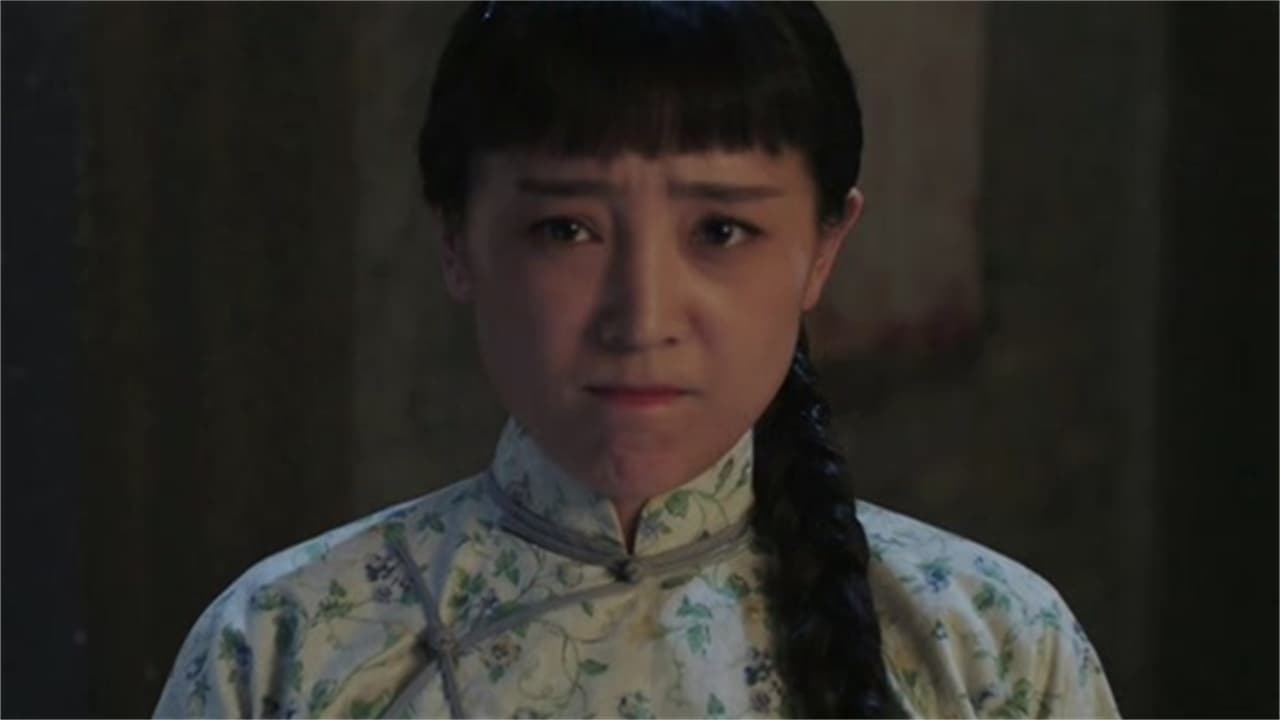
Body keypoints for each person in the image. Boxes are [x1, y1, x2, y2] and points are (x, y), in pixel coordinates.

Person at [154, 3, 1120, 718]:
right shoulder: (285, 648)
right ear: (454, 241)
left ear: (825, 247)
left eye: (722, 229)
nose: (643, 316)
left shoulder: (994, 649)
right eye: (566, 228)